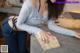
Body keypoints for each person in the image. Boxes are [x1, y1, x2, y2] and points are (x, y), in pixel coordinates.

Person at [16, 0, 80, 44]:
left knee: (22, 51)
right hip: (11, 28)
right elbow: (18, 24)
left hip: (24, 31)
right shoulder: (29, 3)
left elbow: (52, 26)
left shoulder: (50, 6)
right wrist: (39, 31)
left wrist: (73, 33)